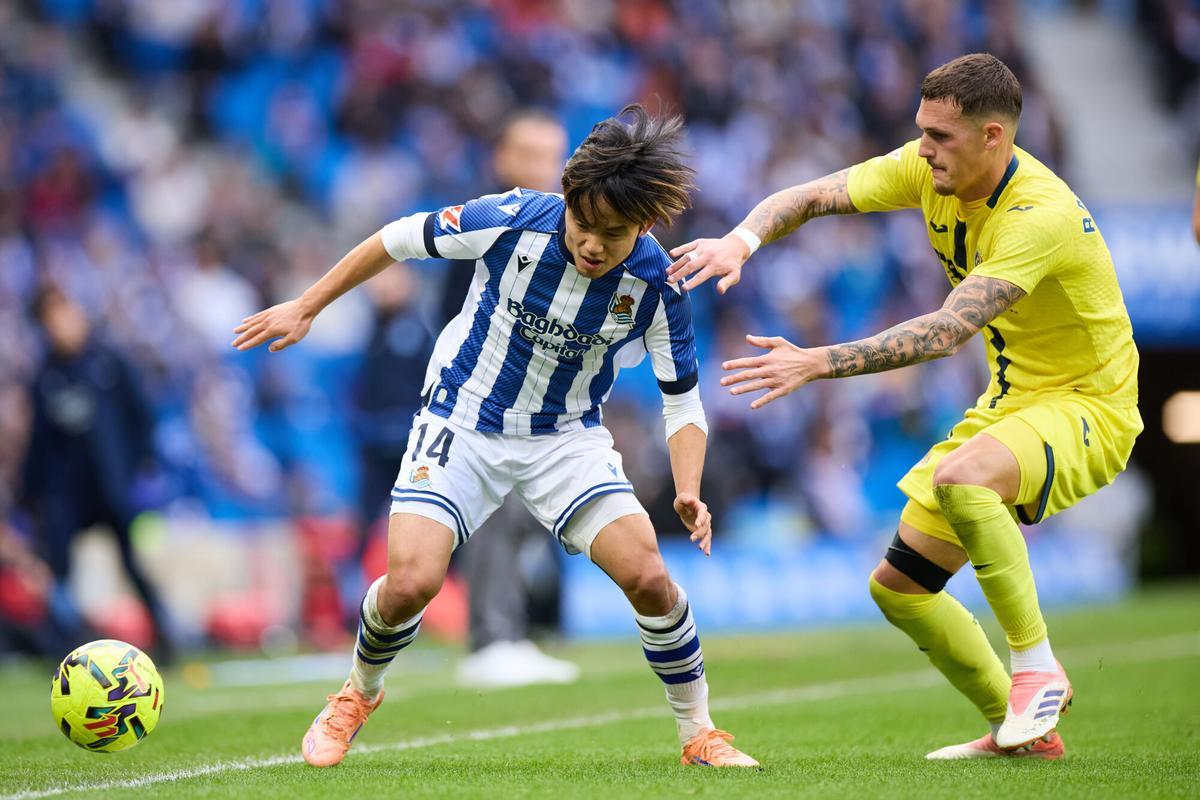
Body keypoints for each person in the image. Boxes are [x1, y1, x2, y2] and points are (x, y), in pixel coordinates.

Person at [233, 105, 759, 769]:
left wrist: (688, 489)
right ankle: (357, 694)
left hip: (565, 437)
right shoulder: (511, 218)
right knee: (409, 585)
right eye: (584, 223)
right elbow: (395, 239)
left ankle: (699, 734)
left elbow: (682, 401)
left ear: (644, 226)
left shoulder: (656, 284)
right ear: (566, 199)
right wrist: (307, 305)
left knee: (650, 575)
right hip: (462, 417)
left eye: (613, 233)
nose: (593, 244)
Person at [668, 54, 1141, 761]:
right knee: (899, 588)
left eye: (941, 137)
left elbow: (948, 331)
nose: (923, 149)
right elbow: (815, 195)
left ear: (993, 137)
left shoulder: (1038, 215)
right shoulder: (929, 169)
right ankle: (1025, 740)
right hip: (1013, 403)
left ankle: (1036, 666)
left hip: (1090, 407)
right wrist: (742, 240)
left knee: (964, 479)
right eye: (921, 131)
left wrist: (816, 361)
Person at [440, 110, 580, 688]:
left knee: (542, 515)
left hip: (548, 409)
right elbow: (452, 321)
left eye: (551, 154)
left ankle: (523, 629)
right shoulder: (484, 226)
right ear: (502, 158)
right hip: (481, 405)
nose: (541, 166)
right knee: (494, 515)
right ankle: (493, 640)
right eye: (528, 153)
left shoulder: (574, 229)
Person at [20, 285, 175, 664]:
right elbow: (39, 441)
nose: (61, 326)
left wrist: (139, 465)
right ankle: (61, 644)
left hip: (111, 486)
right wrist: (30, 493)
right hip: (67, 493)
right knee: (60, 568)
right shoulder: (45, 376)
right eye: (51, 320)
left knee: (131, 563)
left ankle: (166, 635)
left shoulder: (110, 362)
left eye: (65, 314)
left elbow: (141, 417)